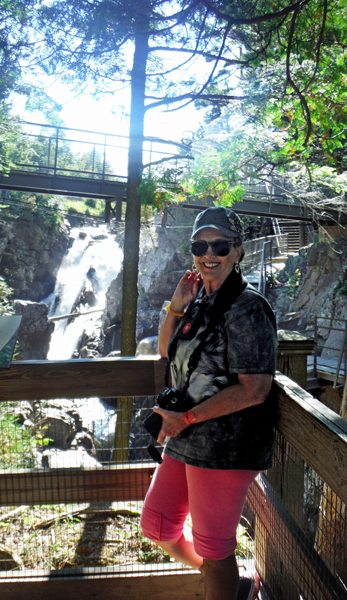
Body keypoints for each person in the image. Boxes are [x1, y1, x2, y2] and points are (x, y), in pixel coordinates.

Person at [140, 206, 277, 600]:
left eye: (220, 245)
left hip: (226, 445)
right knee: (158, 526)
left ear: (238, 251)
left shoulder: (248, 307)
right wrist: (177, 305)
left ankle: (225, 583)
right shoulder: (200, 298)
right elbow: (167, 349)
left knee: (215, 549)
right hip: (188, 437)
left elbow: (255, 389)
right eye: (201, 244)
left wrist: (185, 417)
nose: (209, 253)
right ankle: (233, 585)